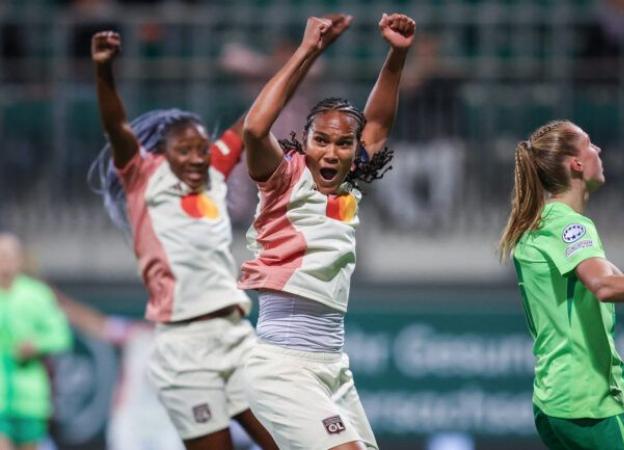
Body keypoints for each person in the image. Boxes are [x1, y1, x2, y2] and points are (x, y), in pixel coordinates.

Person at [89, 31, 277, 450]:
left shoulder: (213, 176)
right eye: (185, 149)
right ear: (161, 152)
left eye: (202, 148)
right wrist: (103, 69)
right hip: (183, 345)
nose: (197, 157)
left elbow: (254, 120)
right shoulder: (142, 176)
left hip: (235, 334)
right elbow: (116, 126)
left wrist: (305, 53)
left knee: (291, 440)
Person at [239, 12, 415, 450]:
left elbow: (377, 123)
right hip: (282, 365)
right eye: (321, 140)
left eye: (343, 143)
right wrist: (309, 50)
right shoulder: (283, 177)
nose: (331, 151)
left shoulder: (349, 183)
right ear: (305, 140)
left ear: (355, 151)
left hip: (332, 366)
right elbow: (254, 128)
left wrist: (396, 55)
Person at [498, 120, 624, 450]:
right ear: (575, 164)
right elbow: (605, 287)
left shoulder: (543, 222)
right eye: (590, 144)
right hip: (590, 402)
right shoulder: (570, 226)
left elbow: (623, 285)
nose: (599, 150)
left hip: (555, 404)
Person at [0, 233, 72, 450]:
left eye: (9, 256)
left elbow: (61, 336)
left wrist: (36, 346)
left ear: (20, 259)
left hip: (30, 398)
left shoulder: (37, 295)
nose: (5, 262)